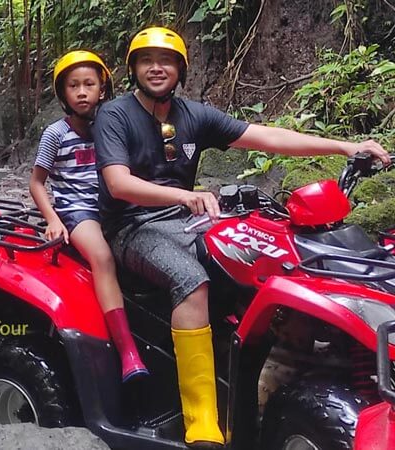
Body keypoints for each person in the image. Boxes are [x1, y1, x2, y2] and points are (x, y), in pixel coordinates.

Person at [92, 26, 389, 448]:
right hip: (133, 226)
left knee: (268, 259)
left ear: (181, 69)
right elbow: (118, 183)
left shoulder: (193, 114)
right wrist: (183, 194)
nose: (156, 68)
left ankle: (264, 372)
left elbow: (266, 136)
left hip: (190, 217)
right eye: (146, 61)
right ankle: (203, 425)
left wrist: (344, 146)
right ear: (133, 69)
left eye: (166, 61)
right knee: (190, 282)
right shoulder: (115, 115)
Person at [29, 50, 148, 382]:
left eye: (89, 84)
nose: (82, 92)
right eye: (73, 86)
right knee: (103, 258)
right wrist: (53, 218)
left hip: (112, 205)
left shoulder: (112, 127)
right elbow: (37, 183)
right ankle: (128, 353)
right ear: (63, 93)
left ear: (102, 88)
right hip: (76, 210)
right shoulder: (56, 134)